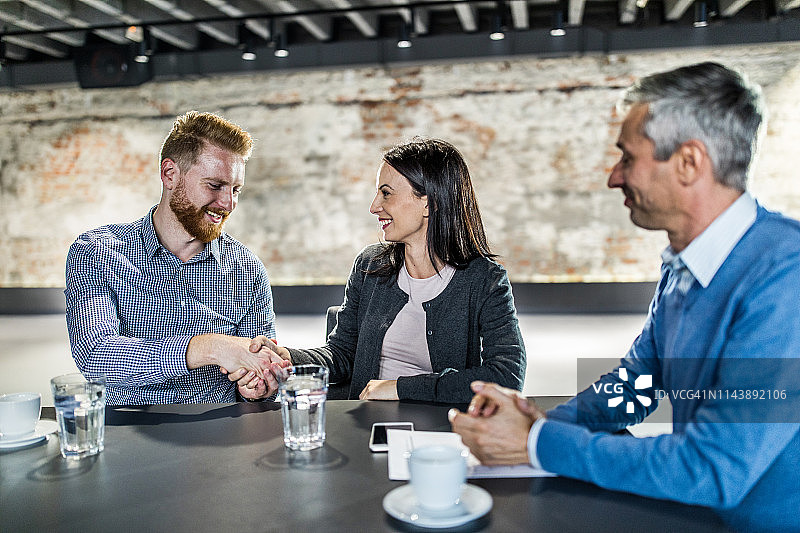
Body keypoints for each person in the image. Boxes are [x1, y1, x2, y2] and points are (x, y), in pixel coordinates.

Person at [450, 62, 800, 532]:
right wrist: (540, 421)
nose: (614, 177)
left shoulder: (786, 276)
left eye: (628, 158)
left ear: (689, 162)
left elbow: (713, 469)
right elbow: (635, 386)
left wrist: (537, 442)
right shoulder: (684, 266)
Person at [233, 138, 526, 402]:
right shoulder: (370, 265)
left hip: (439, 431)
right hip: (365, 424)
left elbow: (507, 376)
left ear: (429, 202)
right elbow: (342, 354)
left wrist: (399, 388)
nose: (374, 206)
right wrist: (286, 356)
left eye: (386, 194)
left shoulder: (484, 280)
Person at [65, 110, 286, 405]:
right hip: (127, 424)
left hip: (220, 426)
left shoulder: (247, 269)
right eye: (215, 185)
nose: (228, 203)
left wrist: (255, 387)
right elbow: (96, 356)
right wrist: (211, 347)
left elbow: (256, 376)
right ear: (170, 174)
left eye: (236, 189)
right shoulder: (97, 252)